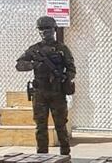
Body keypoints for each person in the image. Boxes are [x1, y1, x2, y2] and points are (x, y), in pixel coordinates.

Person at [17, 15, 76, 155]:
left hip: (57, 92)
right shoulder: (34, 50)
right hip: (40, 93)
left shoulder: (62, 49)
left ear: (54, 29)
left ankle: (65, 156)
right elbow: (19, 65)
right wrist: (34, 64)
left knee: (60, 126)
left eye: (48, 28)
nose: (44, 32)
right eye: (41, 29)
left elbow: (72, 69)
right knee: (40, 127)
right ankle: (42, 157)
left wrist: (64, 77)